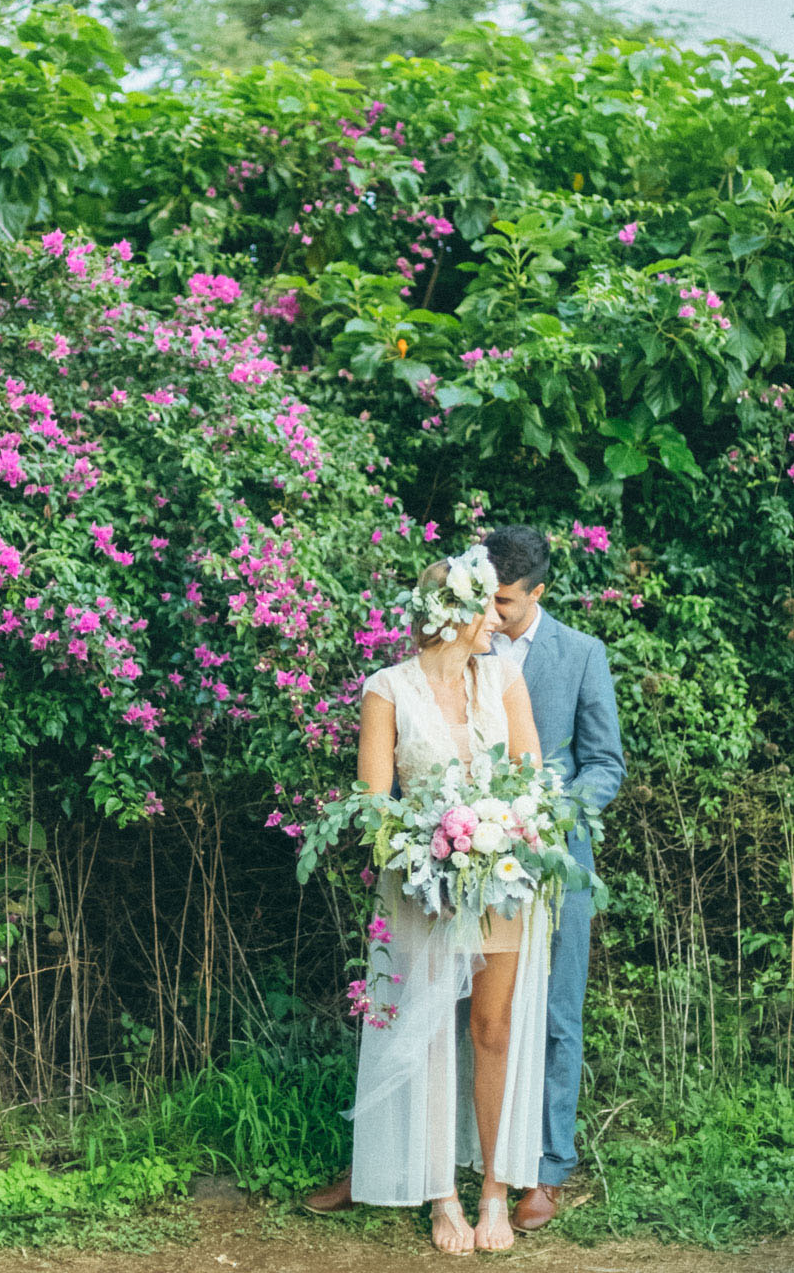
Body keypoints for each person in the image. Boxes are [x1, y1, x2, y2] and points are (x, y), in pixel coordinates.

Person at [303, 528, 623, 1244]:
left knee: (495, 1029)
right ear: (460, 616)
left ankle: (495, 1195)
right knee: (429, 1031)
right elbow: (374, 806)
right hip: (425, 888)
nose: (499, 624)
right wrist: (429, 847)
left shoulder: (504, 678)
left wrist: (506, 829)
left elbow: (535, 778)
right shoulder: (385, 690)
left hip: (504, 880)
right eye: (488, 610)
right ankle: (442, 1193)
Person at [476, 524, 625, 1229]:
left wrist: (555, 812)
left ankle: (549, 1166)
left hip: (556, 852)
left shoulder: (580, 654)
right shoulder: (464, 641)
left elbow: (606, 763)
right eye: (489, 596)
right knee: (473, 1007)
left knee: (560, 1008)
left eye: (506, 601)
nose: (494, 610)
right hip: (469, 847)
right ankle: (467, 1157)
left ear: (539, 592)